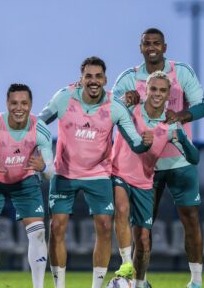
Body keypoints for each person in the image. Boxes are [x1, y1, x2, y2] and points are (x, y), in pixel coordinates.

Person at [38, 56, 152, 288]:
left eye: (98, 76)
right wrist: (39, 151)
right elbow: (38, 124)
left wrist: (145, 143)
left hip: (98, 174)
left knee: (104, 225)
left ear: (105, 79)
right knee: (57, 226)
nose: (93, 80)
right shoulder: (64, 98)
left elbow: (135, 142)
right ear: (80, 79)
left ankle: (96, 286)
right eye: (88, 76)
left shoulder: (115, 107)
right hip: (64, 173)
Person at [112, 28, 204, 288]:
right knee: (143, 227)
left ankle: (196, 281)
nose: (152, 47)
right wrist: (124, 100)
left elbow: (201, 106)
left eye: (156, 43)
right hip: (144, 167)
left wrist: (180, 117)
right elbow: (111, 109)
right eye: (146, 43)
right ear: (140, 47)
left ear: (165, 47)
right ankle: (141, 281)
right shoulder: (129, 78)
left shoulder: (182, 72)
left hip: (178, 161)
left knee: (190, 218)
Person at [0, 84, 54, 288]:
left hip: (25, 182)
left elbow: (51, 172)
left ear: (31, 105)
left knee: (39, 233)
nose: (19, 107)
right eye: (14, 103)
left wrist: (43, 167)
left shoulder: (40, 130)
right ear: (7, 104)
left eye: (24, 103)